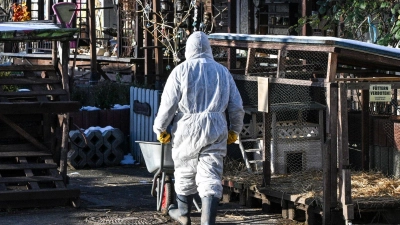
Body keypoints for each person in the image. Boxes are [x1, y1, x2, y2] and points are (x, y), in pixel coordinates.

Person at [153, 31, 244, 225]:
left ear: (188, 49)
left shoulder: (180, 71)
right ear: (209, 49)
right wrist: (234, 130)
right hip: (215, 127)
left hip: (187, 129)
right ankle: (207, 221)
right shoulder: (222, 72)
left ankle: (184, 214)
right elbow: (236, 106)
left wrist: (160, 129)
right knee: (211, 174)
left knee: (184, 170)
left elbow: (167, 105)